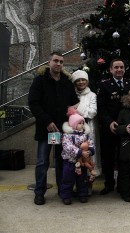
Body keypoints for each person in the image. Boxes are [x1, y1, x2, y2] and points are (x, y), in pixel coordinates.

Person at [28, 51, 79, 205]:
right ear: (49, 62)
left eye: (61, 62)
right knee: (42, 162)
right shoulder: (40, 81)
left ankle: (63, 191)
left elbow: (74, 102)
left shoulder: (66, 82)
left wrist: (72, 118)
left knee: (62, 161)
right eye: (55, 61)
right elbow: (33, 103)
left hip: (63, 130)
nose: (58, 64)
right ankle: (39, 192)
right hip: (46, 129)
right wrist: (47, 121)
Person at [96, 58, 130, 195]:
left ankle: (122, 185)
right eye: (116, 67)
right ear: (110, 70)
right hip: (110, 128)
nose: (119, 70)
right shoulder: (104, 85)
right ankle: (109, 184)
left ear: (124, 69)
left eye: (121, 67)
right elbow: (101, 108)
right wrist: (109, 122)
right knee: (108, 157)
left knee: (124, 158)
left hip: (126, 128)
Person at [71, 70, 101, 195]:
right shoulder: (71, 94)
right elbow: (68, 110)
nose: (81, 82)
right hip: (72, 129)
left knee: (88, 157)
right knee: (75, 156)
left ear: (87, 81)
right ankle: (75, 185)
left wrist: (77, 107)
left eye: (83, 80)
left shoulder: (92, 95)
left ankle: (88, 185)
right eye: (78, 80)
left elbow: (92, 112)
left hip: (88, 129)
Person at [60, 107, 95, 205]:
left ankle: (82, 194)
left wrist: (90, 151)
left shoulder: (85, 135)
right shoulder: (67, 135)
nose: (82, 125)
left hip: (82, 162)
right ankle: (66, 196)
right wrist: (79, 152)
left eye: (83, 123)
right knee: (68, 179)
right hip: (70, 162)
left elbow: (91, 143)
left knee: (82, 179)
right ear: (73, 125)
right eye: (79, 123)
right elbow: (67, 146)